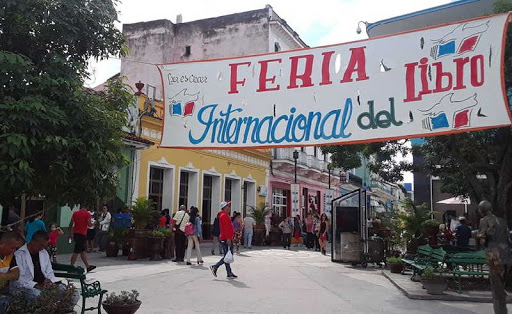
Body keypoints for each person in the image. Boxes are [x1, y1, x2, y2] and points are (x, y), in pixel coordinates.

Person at [12, 231, 79, 306]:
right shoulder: (19, 255)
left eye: (44, 246)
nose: (42, 248)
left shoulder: (44, 253)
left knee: (73, 294)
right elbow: (18, 279)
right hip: (29, 288)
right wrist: (36, 285)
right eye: (41, 245)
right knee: (38, 295)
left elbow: (49, 272)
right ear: (33, 241)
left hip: (45, 286)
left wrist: (50, 281)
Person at [477, 200, 511, 314]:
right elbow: (508, 238)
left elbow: (482, 239)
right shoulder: (502, 221)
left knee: (497, 290)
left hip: (494, 257)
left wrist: (479, 235)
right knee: (504, 287)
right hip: (507, 255)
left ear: (482, 210)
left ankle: (500, 312)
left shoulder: (484, 220)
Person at [210, 201, 237, 279]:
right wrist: (228, 238)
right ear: (224, 208)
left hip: (226, 237)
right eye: (228, 206)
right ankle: (215, 266)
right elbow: (226, 228)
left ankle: (229, 273)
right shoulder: (224, 216)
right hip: (226, 238)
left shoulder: (224, 215)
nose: (229, 208)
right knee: (227, 256)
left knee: (228, 256)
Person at [0, 232, 23, 312]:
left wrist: (4, 276)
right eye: (12, 248)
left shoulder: (10, 256)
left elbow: (16, 274)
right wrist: (9, 275)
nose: (14, 251)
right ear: (2, 245)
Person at [68, 207, 96, 272]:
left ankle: (88, 266)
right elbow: (89, 224)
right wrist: (94, 223)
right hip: (82, 234)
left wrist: (69, 233)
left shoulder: (75, 213)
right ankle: (71, 267)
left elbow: (71, 224)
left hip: (76, 234)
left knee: (81, 251)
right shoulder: (87, 214)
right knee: (76, 251)